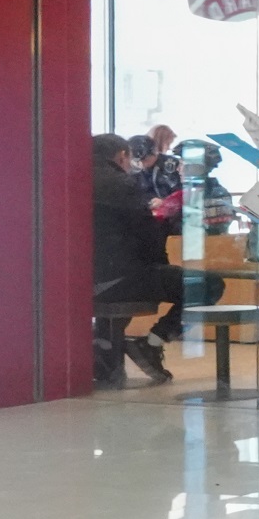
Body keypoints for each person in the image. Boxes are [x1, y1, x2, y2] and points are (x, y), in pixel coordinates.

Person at [91, 134, 177, 385]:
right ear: (122, 156)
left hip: (81, 278)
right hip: (120, 275)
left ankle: (107, 361)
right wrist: (160, 264)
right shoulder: (121, 184)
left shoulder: (69, 178)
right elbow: (146, 233)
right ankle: (152, 343)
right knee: (205, 285)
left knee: (117, 294)